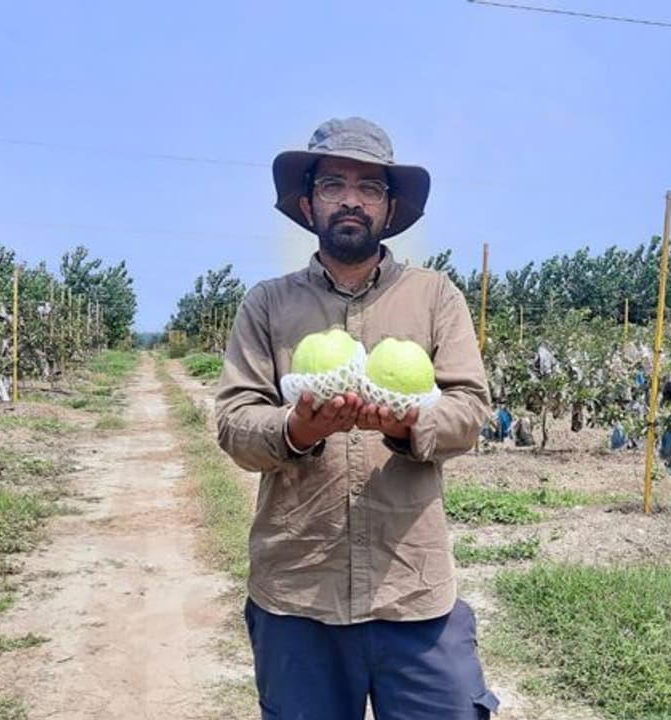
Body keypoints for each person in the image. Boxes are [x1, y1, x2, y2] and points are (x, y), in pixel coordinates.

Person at [214, 117, 499, 720]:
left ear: (389, 206)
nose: (350, 199)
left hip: (412, 589)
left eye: (369, 187)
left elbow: (470, 408)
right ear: (308, 200)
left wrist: (406, 425)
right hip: (298, 591)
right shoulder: (267, 304)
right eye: (334, 184)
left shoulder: (434, 296)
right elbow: (235, 422)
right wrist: (297, 431)